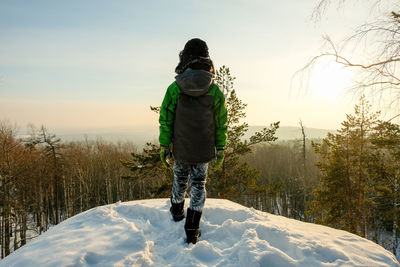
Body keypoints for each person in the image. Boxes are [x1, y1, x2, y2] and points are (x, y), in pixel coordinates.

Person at [158, 38, 228, 244]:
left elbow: (166, 119)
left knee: (179, 178)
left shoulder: (174, 88)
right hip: (203, 149)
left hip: (181, 146)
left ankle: (177, 211)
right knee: (198, 184)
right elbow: (220, 123)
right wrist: (221, 147)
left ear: (185, 57)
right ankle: (192, 228)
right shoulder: (214, 90)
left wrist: (164, 145)